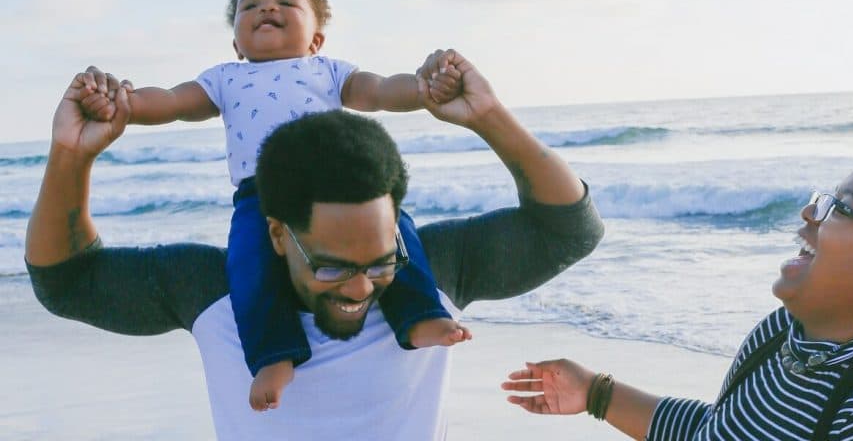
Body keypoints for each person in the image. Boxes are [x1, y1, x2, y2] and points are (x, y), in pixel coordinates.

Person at [27, 52, 604, 440]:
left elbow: (570, 229)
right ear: (277, 232)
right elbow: (67, 280)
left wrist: (490, 117)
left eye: (380, 262)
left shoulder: (431, 271)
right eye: (330, 267)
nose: (360, 287)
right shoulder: (215, 291)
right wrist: (72, 157)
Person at [77, 0, 469, 411]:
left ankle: (420, 316)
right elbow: (170, 102)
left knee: (396, 231)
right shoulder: (225, 78)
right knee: (248, 265)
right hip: (259, 195)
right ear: (237, 43)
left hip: (338, 185)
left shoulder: (329, 70)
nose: (266, 9)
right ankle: (273, 354)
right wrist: (120, 102)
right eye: (251, 6)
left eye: (285, 2)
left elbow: (381, 90)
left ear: (316, 39)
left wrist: (425, 88)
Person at [503, 156, 853, 439]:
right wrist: (595, 392)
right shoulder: (782, 337)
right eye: (824, 199)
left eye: (842, 209)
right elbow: (718, 432)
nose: (809, 214)